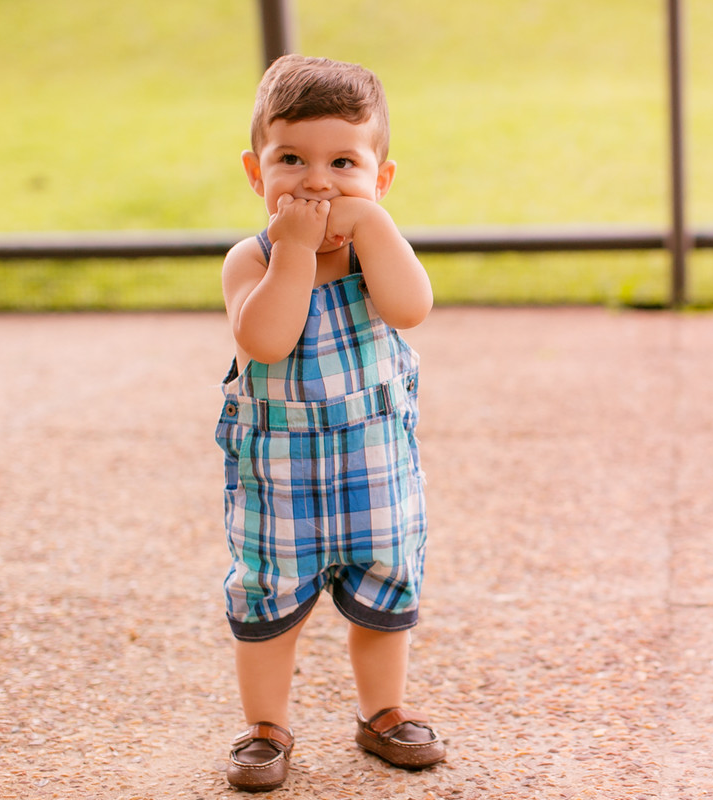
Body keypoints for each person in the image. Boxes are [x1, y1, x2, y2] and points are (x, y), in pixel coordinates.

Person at [213, 54, 441, 792]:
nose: (316, 181)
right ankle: (266, 727)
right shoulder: (252, 262)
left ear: (381, 178)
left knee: (383, 602)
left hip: (375, 469)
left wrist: (371, 226)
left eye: (343, 162)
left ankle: (383, 712)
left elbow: (411, 309)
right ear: (256, 173)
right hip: (281, 481)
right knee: (270, 602)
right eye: (292, 160)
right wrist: (297, 256)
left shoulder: (379, 250)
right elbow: (266, 340)